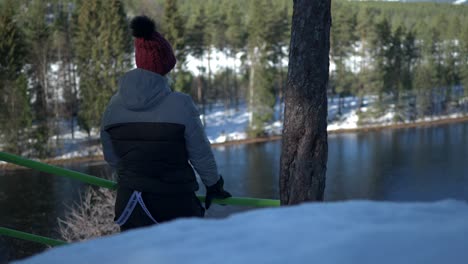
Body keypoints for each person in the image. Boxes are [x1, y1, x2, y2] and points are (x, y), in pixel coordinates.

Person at [100, 16, 231, 231]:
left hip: (129, 204)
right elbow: (200, 153)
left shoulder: (114, 105)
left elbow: (111, 156)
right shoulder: (181, 104)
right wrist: (214, 185)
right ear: (164, 67)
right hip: (175, 204)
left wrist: (133, 176)